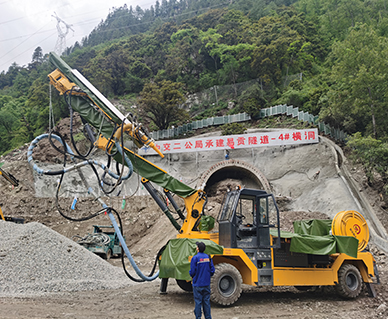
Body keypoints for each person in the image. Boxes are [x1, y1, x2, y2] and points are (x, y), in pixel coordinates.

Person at [189, 241, 215, 319]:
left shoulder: (195, 258)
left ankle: (198, 317)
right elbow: (212, 270)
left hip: (197, 284)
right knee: (206, 302)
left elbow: (192, 271)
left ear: (198, 248)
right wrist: (206, 276)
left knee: (198, 303)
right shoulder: (208, 257)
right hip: (206, 284)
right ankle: (208, 317)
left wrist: (192, 275)